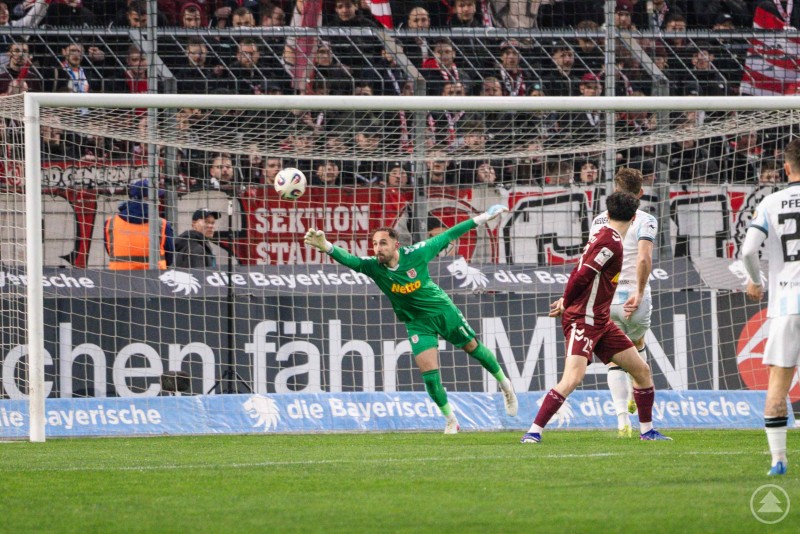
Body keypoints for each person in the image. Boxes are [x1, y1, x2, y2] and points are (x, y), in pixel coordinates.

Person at [304, 206, 518, 434]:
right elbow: (351, 260)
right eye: (375, 244)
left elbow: (451, 233)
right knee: (429, 375)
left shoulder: (417, 253)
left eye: (383, 243)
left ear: (396, 244)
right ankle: (451, 420)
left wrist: (484, 217)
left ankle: (506, 387)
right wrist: (326, 246)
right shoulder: (374, 267)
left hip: (442, 311)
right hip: (417, 323)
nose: (378, 248)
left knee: (473, 347)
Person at [521, 192, 671, 443]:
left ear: (608, 214)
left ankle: (647, 432)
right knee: (572, 379)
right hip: (583, 319)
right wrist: (566, 302)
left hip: (601, 319)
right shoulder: (609, 243)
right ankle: (533, 432)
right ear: (634, 218)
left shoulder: (610, 238)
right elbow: (581, 276)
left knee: (642, 370)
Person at [741, 137, 800, 476]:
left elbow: (749, 251)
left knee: (778, 385)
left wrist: (756, 282)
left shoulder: (771, 202)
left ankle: (778, 460)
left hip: (788, 302)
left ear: (786, 168)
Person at [589, 168, 657, 437]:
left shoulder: (598, 220)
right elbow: (643, 258)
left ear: (616, 190)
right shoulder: (646, 219)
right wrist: (638, 292)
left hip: (605, 298)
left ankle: (621, 421)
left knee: (614, 360)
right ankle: (636, 402)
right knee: (637, 346)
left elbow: (591, 261)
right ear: (640, 193)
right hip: (633, 297)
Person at [104, 179, 175, 270]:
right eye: (156, 199)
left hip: (119, 281)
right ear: (147, 199)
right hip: (154, 281)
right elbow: (169, 259)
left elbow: (110, 251)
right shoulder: (162, 225)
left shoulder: (110, 223)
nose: (159, 202)